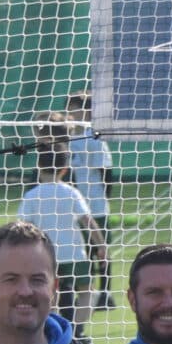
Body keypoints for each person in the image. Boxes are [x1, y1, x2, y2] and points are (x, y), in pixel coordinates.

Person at [16, 129, 104, 333]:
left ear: (39, 166)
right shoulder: (71, 192)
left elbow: (21, 226)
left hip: (45, 256)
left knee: (50, 297)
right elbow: (88, 221)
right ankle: (76, 331)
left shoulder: (32, 195)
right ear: (65, 169)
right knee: (88, 292)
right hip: (74, 253)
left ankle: (56, 331)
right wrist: (101, 246)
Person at [65, 91, 114, 304]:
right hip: (75, 208)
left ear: (86, 111)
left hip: (96, 205)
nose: (69, 113)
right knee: (81, 251)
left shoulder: (94, 138)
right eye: (68, 109)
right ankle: (86, 292)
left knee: (101, 250)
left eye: (73, 108)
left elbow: (106, 174)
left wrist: (101, 198)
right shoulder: (64, 138)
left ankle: (106, 293)